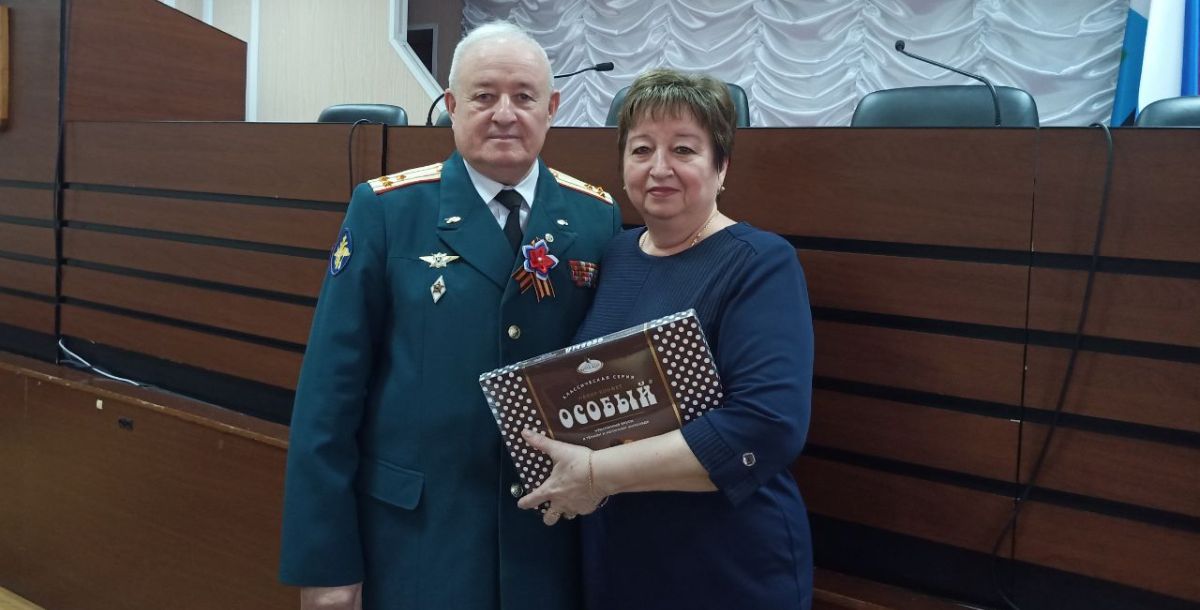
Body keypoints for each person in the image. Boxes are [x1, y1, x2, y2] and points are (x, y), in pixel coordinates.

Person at [278, 21, 623, 610]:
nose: (505, 114)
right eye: (484, 96)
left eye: (524, 96)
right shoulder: (388, 210)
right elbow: (329, 396)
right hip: (419, 541)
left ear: (552, 109)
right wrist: (326, 562)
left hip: (548, 543)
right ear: (452, 105)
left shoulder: (596, 216)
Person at [516, 68, 815, 610]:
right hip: (619, 557)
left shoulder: (761, 263)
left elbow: (767, 426)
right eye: (641, 150)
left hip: (726, 564)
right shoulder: (616, 255)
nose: (659, 168)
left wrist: (596, 474)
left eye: (683, 149)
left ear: (721, 166)